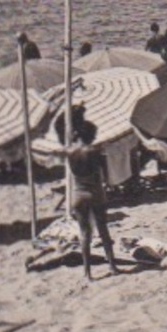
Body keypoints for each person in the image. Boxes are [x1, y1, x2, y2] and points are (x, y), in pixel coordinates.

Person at [55, 113, 122, 282]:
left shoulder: (69, 151)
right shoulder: (95, 151)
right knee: (103, 230)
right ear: (91, 136)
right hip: (95, 193)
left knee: (85, 234)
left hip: (77, 195)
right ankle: (112, 266)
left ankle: (87, 273)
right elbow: (105, 176)